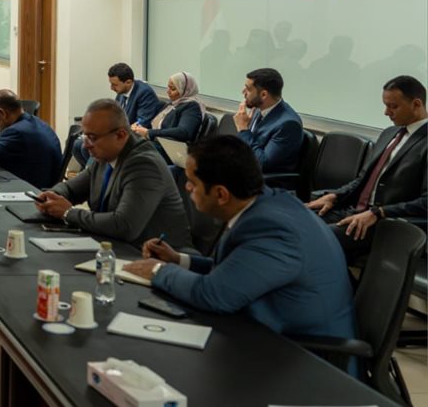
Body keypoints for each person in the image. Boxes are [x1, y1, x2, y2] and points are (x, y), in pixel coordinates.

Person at [124, 135, 356, 343]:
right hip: (265, 333)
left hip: (304, 356)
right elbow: (237, 269)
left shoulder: (271, 230)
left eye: (192, 182)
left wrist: (158, 270)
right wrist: (178, 260)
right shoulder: (268, 203)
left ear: (221, 194)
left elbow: (213, 294)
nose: (186, 187)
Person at [36, 99, 191, 248]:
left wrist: (68, 213)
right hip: (115, 246)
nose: (86, 145)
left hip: (155, 255)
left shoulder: (144, 164)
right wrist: (52, 196)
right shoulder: (104, 155)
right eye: (85, 136)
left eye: (92, 137)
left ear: (120, 135)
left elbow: (124, 225)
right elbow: (71, 189)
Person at [307, 75, 427, 260]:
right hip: (354, 210)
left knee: (313, 239)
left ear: (416, 104)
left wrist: (379, 213)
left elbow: (426, 201)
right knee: (293, 222)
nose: (386, 112)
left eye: (393, 106)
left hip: (384, 222)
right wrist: (335, 196)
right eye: (385, 105)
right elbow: (362, 180)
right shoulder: (389, 133)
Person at [0, 90, 61, 186]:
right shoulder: (36, 123)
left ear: (2, 113)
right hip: (46, 183)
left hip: (32, 188)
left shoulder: (15, 132)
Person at [233, 68, 303, 174]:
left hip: (266, 180)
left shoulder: (288, 124)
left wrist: (243, 130)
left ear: (263, 95)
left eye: (248, 89)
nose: (243, 92)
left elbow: (262, 164)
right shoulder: (258, 109)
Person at [130, 71, 204, 143]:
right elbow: (153, 121)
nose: (168, 91)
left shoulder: (191, 107)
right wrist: (138, 127)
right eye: (168, 87)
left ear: (185, 90)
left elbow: (183, 132)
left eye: (173, 89)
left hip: (170, 147)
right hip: (157, 142)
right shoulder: (172, 104)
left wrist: (149, 132)